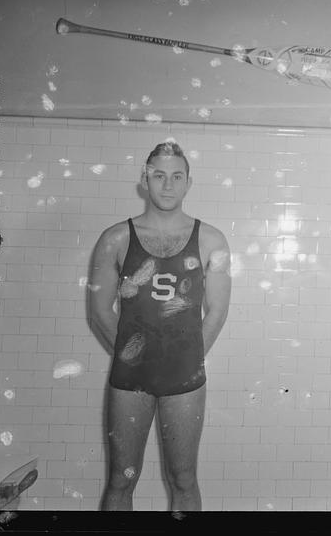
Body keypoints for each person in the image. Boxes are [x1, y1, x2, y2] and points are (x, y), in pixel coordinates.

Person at [88, 142, 231, 511]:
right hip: (129, 379)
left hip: (185, 379)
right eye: (159, 175)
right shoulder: (115, 239)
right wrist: (136, 357)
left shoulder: (212, 240)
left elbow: (216, 311)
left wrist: (185, 359)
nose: (167, 185)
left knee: (184, 479)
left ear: (188, 183)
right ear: (144, 179)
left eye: (176, 177)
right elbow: (100, 311)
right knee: (121, 478)